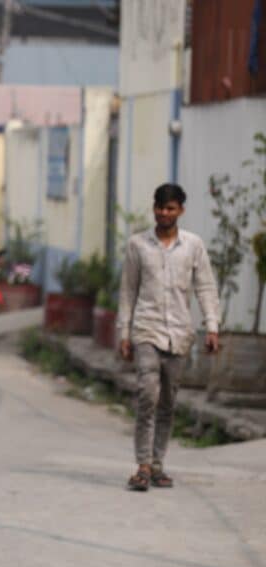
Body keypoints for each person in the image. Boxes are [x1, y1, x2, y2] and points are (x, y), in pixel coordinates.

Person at [117, 183, 220, 491]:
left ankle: (158, 464)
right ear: (154, 209)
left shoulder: (193, 246)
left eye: (170, 208)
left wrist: (212, 326)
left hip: (179, 333)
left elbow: (205, 287)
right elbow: (128, 290)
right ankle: (143, 466)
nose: (164, 213)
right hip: (146, 330)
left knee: (167, 402)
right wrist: (124, 333)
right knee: (147, 395)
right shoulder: (138, 245)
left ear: (181, 211)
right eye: (160, 207)